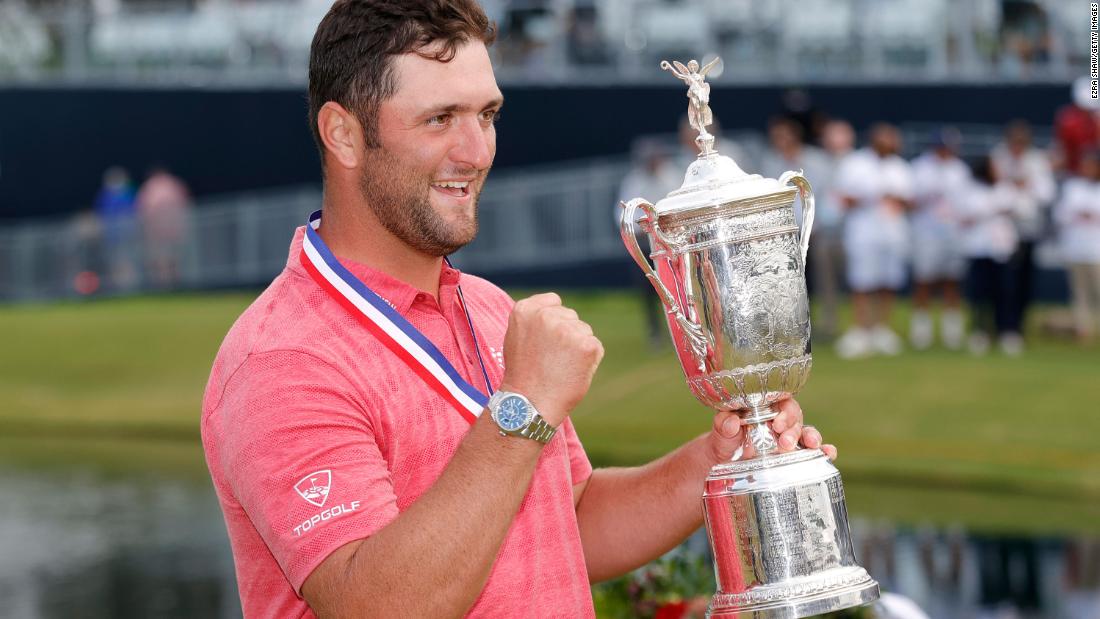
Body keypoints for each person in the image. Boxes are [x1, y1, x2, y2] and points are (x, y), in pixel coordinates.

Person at [200, 2, 831, 617]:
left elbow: (567, 519)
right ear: (344, 134)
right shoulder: (282, 360)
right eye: (440, 119)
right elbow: (374, 604)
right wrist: (521, 409)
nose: (476, 151)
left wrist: (718, 460)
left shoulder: (489, 307)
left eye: (487, 114)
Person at [833, 123, 914, 359]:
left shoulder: (900, 167)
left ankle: (882, 329)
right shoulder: (855, 163)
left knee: (888, 280)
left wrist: (895, 198)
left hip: (893, 233)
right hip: (863, 232)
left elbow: (909, 201)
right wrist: (869, 197)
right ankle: (860, 330)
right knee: (862, 281)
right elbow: (843, 198)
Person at [991, 120, 1055, 350]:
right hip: (1001, 232)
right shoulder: (998, 157)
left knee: (1023, 282)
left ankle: (1017, 327)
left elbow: (1047, 194)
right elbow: (990, 189)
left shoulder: (1037, 161)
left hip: (1028, 231)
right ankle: (1000, 327)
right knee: (1002, 281)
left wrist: (1025, 185)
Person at [907, 127, 971, 350]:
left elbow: (965, 203)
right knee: (924, 281)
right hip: (926, 233)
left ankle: (951, 333)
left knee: (952, 281)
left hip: (953, 232)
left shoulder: (960, 170)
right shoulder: (920, 168)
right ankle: (921, 333)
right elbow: (911, 200)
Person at [617, 138, 681, 348]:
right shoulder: (633, 182)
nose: (653, 162)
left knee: (678, 286)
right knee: (647, 289)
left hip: (670, 239)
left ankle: (684, 329)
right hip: (645, 243)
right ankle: (656, 332)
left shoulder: (673, 176)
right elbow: (622, 214)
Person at [957, 157, 1020, 356]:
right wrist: (992, 210)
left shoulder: (1005, 189)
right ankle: (979, 332)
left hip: (1002, 251)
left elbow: (1016, 208)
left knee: (1005, 292)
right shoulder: (972, 191)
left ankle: (1007, 331)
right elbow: (968, 215)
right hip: (979, 250)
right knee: (979, 294)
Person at [810, 119, 856, 341]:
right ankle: (830, 326)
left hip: (852, 233)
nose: (834, 141)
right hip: (825, 234)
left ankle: (859, 327)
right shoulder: (817, 162)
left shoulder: (858, 162)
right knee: (825, 283)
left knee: (857, 281)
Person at [1054, 150, 1100, 344]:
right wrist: (1078, 214)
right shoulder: (1072, 187)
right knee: (1079, 293)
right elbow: (1060, 214)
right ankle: (1083, 330)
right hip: (1075, 248)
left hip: (1097, 250)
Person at [136, 166, 192, 289]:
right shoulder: (173, 184)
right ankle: (172, 283)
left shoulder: (150, 187)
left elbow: (142, 209)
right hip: (174, 229)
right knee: (171, 258)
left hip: (158, 230)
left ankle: (166, 284)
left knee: (163, 259)